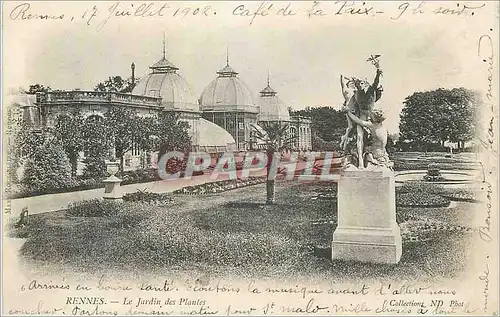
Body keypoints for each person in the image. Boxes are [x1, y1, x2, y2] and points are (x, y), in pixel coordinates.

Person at [339, 75, 358, 151]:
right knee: (350, 127)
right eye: (351, 83)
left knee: (357, 127)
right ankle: (344, 140)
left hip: (356, 109)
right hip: (349, 109)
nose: (352, 84)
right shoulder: (346, 90)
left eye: (353, 83)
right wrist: (349, 78)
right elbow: (342, 79)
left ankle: (349, 141)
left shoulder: (356, 91)